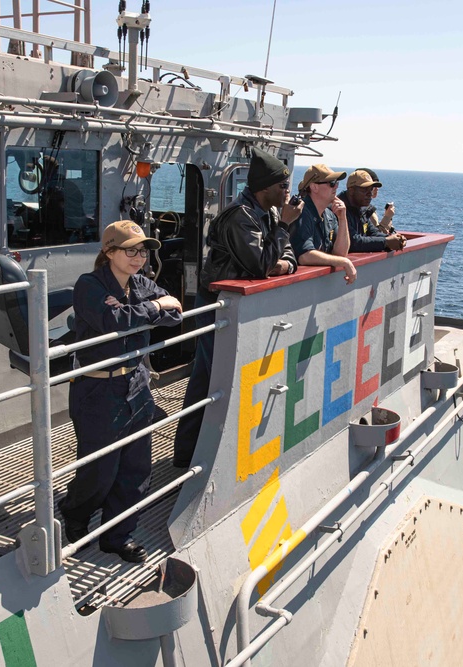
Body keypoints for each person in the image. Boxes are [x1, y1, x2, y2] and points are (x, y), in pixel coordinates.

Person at [60, 220, 183, 562]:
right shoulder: (89, 286)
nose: (139, 257)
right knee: (99, 470)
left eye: (142, 251)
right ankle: (75, 514)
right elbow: (115, 322)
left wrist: (147, 311)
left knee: (135, 469)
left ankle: (118, 535)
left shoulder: (139, 283)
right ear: (109, 252)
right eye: (130, 250)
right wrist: (155, 309)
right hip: (99, 388)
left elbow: (175, 315)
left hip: (136, 384)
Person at [172, 147, 301, 468]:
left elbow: (289, 258)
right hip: (217, 306)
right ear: (264, 188)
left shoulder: (265, 214)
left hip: (235, 308)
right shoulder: (238, 217)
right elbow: (261, 263)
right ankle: (187, 454)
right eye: (283, 186)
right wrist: (283, 232)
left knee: (214, 377)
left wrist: (282, 261)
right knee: (210, 378)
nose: (287, 191)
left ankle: (197, 452)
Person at [289, 164, 357, 284]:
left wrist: (342, 219)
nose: (336, 186)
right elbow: (305, 256)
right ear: (314, 187)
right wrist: (344, 262)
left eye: (336, 183)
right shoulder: (301, 213)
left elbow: (341, 253)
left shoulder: (329, 215)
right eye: (331, 183)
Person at [339, 170, 405, 253]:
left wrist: (396, 239)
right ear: (351, 191)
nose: (369, 194)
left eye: (370, 190)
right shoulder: (338, 210)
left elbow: (374, 233)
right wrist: (386, 242)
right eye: (364, 190)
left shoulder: (362, 210)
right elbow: (353, 242)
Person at [355, 167, 396, 234]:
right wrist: (387, 217)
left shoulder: (367, 208)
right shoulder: (362, 210)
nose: (377, 189)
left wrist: (388, 217)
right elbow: (377, 236)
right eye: (374, 186)